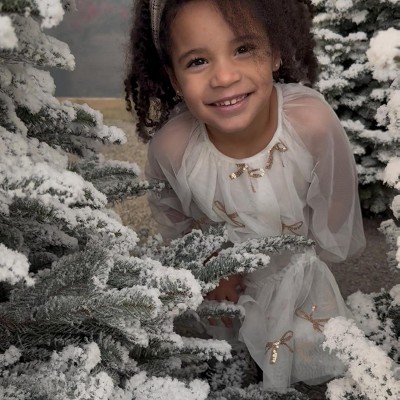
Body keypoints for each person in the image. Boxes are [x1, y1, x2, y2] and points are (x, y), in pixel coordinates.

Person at [124, 0, 366, 392]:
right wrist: (211, 264)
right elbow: (171, 215)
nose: (224, 76)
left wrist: (305, 264)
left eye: (243, 48)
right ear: (173, 78)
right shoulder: (172, 148)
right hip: (228, 279)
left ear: (274, 52)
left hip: (296, 271)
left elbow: (335, 203)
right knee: (233, 348)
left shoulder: (311, 123)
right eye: (197, 61)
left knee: (303, 358)